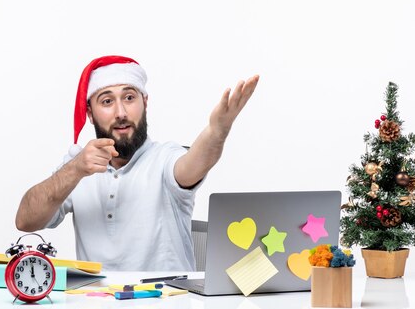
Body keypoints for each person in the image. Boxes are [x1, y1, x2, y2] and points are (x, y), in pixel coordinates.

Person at [15, 55, 259, 271]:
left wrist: (218, 130)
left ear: (145, 102)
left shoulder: (164, 157)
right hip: (97, 302)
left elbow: (193, 165)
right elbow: (25, 221)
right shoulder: (78, 165)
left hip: (166, 302)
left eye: (129, 98)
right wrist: (75, 169)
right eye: (107, 101)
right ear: (90, 113)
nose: (121, 112)